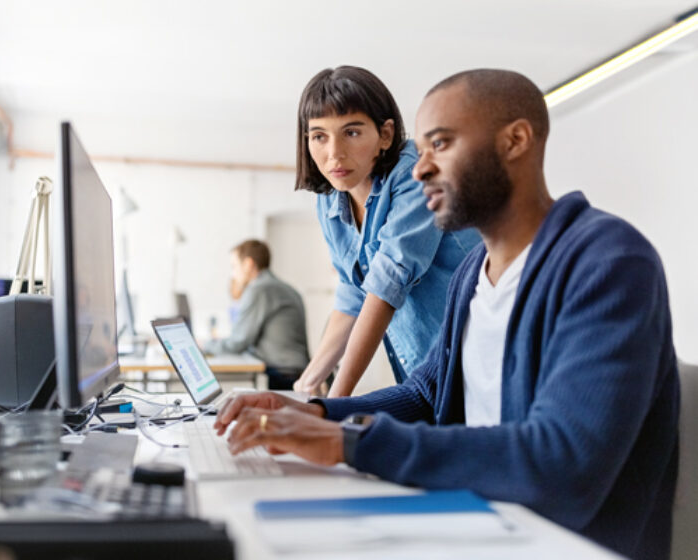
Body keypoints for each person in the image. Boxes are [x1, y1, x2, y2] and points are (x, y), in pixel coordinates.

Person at [214, 69, 680, 560]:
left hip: (560, 541)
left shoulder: (607, 263)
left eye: (440, 144)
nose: (419, 170)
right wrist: (316, 411)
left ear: (515, 142)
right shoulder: (472, 273)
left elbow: (561, 464)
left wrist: (349, 444)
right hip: (479, 514)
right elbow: (424, 393)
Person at [292, 66, 479, 397]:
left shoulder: (417, 175)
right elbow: (353, 292)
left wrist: (333, 404)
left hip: (476, 362)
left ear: (386, 135)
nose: (334, 153)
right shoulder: (330, 198)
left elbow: (386, 285)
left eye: (351, 132)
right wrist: (307, 384)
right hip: (424, 373)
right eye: (319, 136)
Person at [205, 239, 310, 390]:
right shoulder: (284, 287)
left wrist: (205, 345)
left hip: (283, 374)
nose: (233, 274)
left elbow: (238, 342)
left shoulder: (259, 289)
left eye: (234, 266)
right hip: (296, 371)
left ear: (248, 264)